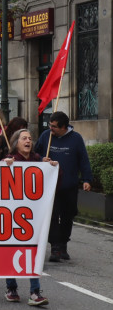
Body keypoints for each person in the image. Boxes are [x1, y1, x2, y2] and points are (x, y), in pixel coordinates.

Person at [4, 128, 56, 306]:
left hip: (34, 217)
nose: (28, 141)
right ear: (16, 142)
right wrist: (4, 166)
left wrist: (51, 168)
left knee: (34, 252)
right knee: (12, 251)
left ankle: (35, 291)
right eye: (24, 138)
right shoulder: (9, 161)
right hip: (12, 216)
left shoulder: (39, 160)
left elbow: (55, 181)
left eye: (30, 138)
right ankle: (11, 288)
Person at [34, 111, 93, 262]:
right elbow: (34, 154)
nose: (50, 128)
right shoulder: (46, 136)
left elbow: (83, 160)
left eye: (54, 126)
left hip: (69, 185)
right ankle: (55, 247)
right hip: (50, 186)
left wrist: (87, 179)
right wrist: (41, 159)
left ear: (64, 127)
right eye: (50, 125)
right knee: (52, 217)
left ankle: (63, 244)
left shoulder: (76, 139)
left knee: (68, 216)